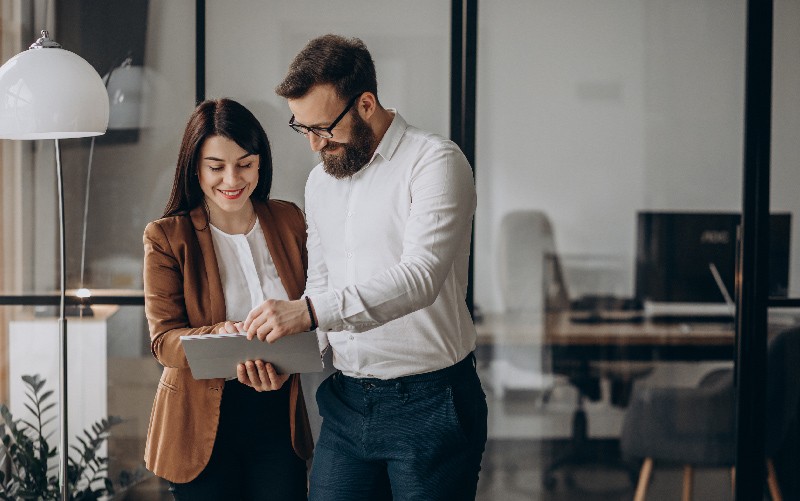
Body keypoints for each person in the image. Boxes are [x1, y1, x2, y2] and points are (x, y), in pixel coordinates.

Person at [237, 34, 487, 500]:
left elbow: (421, 277)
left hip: (431, 402)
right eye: (302, 128)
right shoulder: (322, 182)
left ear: (366, 103)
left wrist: (309, 311)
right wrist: (286, 353)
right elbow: (323, 278)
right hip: (347, 400)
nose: (313, 145)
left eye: (323, 129)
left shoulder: (435, 162)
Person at [142, 98, 313, 500]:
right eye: (216, 167)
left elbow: (315, 308)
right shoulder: (167, 236)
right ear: (195, 168)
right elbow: (164, 342)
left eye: (245, 164)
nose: (232, 179)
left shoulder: (289, 220)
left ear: (260, 163)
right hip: (198, 427)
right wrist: (220, 334)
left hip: (277, 419)